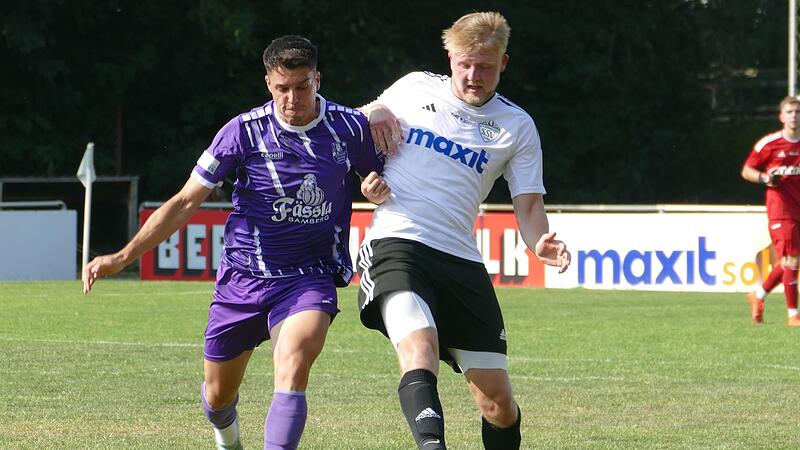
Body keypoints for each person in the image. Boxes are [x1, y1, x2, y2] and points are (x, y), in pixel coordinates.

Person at [83, 35, 389, 450]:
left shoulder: (349, 127)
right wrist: (122, 256)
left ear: (318, 79)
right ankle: (228, 440)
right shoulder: (242, 133)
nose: (293, 98)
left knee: (294, 364)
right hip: (242, 280)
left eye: (302, 86)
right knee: (217, 397)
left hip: (308, 277)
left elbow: (382, 175)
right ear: (268, 84)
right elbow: (186, 201)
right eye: (283, 88)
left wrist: (375, 187)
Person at [356, 11, 571, 450]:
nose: (473, 76)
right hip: (397, 241)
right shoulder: (414, 87)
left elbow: (528, 204)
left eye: (486, 67)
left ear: (504, 63)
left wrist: (539, 242)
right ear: (450, 56)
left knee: (498, 404)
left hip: (460, 260)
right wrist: (374, 110)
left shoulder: (517, 126)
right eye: (465, 64)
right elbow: (352, 127)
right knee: (421, 347)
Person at [742, 95, 800, 327]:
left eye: (797, 112)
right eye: (789, 112)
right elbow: (747, 170)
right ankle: (793, 315)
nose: (794, 116)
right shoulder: (769, 144)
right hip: (780, 210)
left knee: (788, 262)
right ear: (781, 116)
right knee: (791, 260)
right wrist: (765, 177)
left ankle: (758, 296)